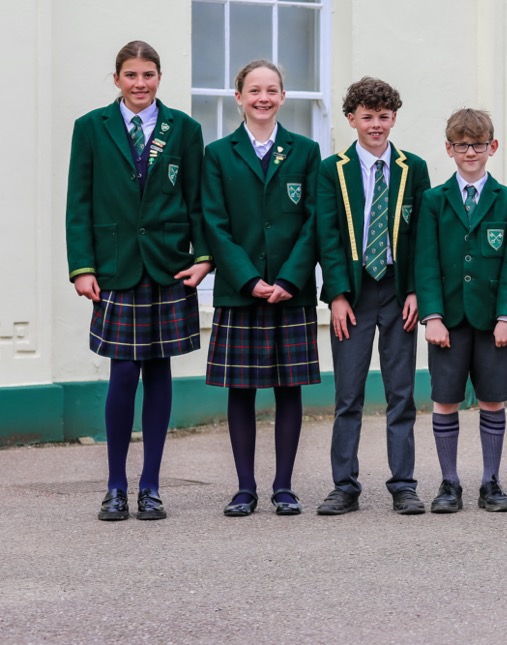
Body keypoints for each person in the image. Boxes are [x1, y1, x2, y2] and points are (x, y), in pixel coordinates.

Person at [66, 40, 212, 521]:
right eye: (131, 75)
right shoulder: (91, 128)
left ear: (159, 78)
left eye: (148, 74)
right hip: (115, 267)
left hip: (168, 264)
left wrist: (204, 256)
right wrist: (83, 267)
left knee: (159, 371)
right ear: (117, 80)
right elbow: (79, 204)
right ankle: (115, 486)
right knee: (123, 373)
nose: (140, 84)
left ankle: (151, 486)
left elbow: (197, 201)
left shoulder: (185, 130)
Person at [203, 60, 321, 517]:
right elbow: (214, 223)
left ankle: (284, 487)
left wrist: (289, 278)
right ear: (239, 97)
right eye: (254, 90)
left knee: (289, 388)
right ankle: (245, 488)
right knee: (241, 390)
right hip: (240, 291)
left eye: (272, 89)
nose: (263, 98)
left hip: (291, 292)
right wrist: (249, 279)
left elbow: (315, 221)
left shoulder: (306, 151)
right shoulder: (219, 153)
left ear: (283, 97)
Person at [315, 77, 430, 515]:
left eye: (384, 117)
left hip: (398, 290)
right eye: (367, 117)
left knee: (401, 392)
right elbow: (327, 235)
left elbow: (421, 234)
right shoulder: (333, 169)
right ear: (351, 120)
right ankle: (344, 485)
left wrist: (417, 290)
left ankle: (403, 483)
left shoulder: (412, 168)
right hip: (355, 291)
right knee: (349, 394)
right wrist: (338, 295)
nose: (376, 125)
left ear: (394, 118)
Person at [415, 108, 507, 513]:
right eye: (462, 145)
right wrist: (432, 316)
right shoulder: (433, 200)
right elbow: (424, 262)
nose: (470, 152)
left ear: (491, 147)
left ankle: (491, 482)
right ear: (449, 149)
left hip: (492, 321)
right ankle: (449, 483)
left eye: (478, 145)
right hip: (448, 321)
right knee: (445, 400)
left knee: (493, 401)